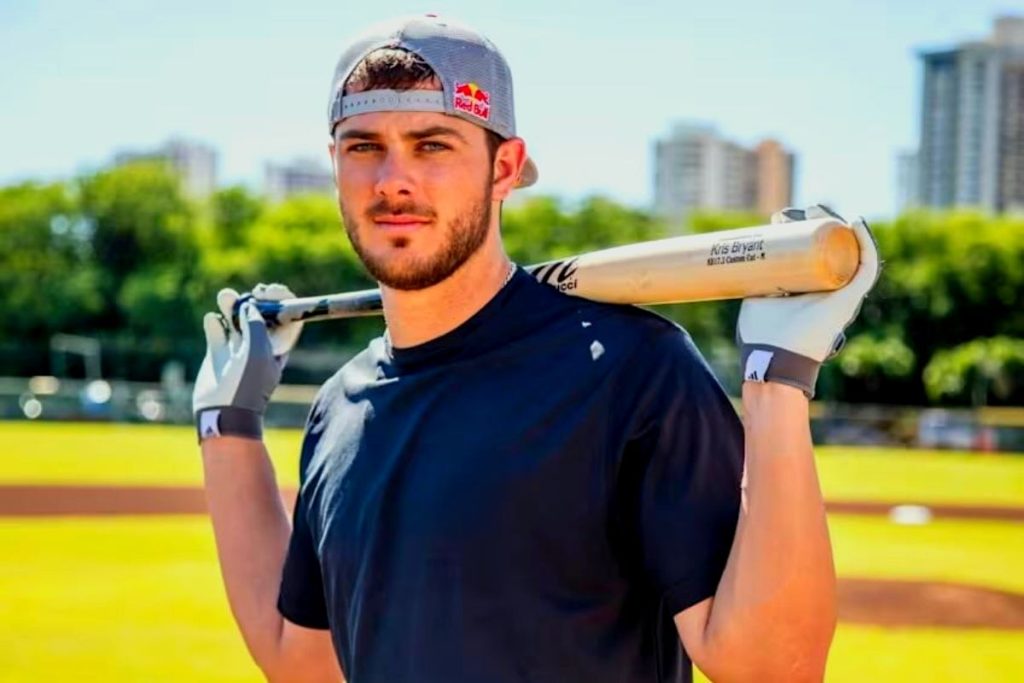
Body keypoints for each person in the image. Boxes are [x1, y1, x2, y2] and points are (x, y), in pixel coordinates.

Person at [193, 14, 879, 683]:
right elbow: (303, 662)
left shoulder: (632, 371)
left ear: (506, 167)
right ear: (335, 164)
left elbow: (774, 668)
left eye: (433, 144)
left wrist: (777, 379)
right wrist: (227, 429)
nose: (393, 180)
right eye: (364, 146)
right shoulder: (339, 410)